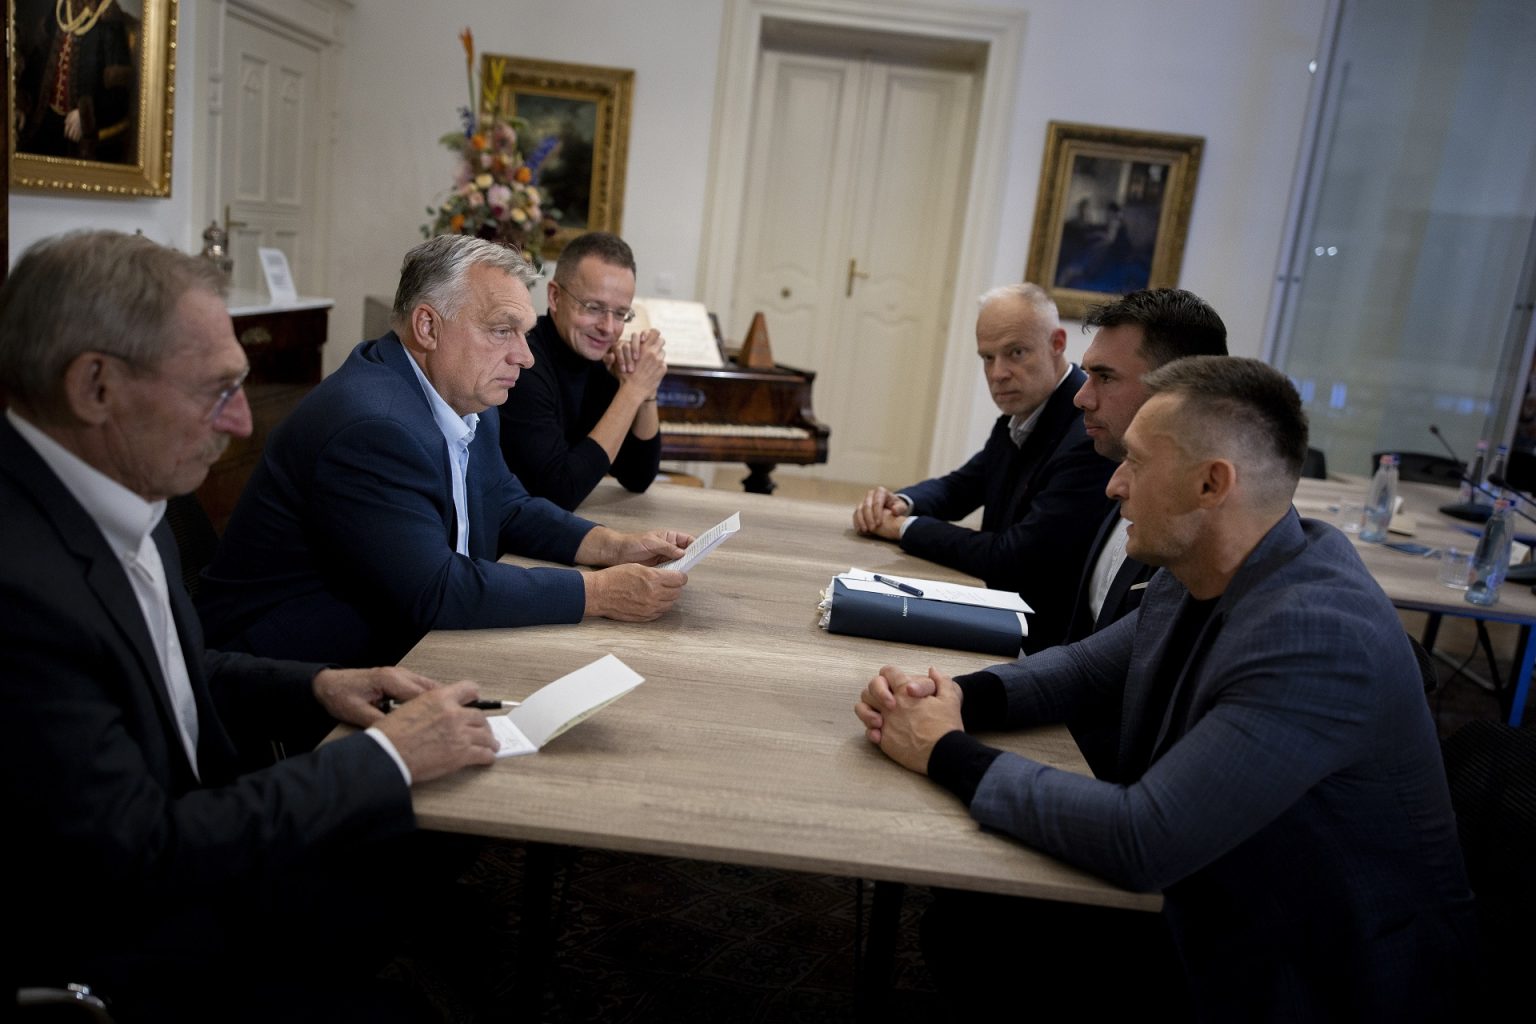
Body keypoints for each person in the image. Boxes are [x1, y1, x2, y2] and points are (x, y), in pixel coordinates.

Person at [855, 357, 1479, 1021]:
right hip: (1225, 887)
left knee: (988, 936)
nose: (1114, 485)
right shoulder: (1214, 560)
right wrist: (949, 696)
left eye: (1136, 462)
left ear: (1212, 484)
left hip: (1316, 969)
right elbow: (1084, 669)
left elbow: (1142, 839)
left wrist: (943, 749)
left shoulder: (1316, 633)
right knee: (974, 917)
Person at [0, 230, 502, 1020]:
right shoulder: (20, 585)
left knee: (439, 864)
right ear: (96, 386)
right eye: (217, 389)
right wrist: (385, 758)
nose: (240, 422)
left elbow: (164, 670)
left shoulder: (116, 483)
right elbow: (141, 855)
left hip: (200, 853)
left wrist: (319, 686)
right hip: (126, 946)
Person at [198, 234, 692, 668]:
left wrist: (615, 546)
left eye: (523, 333)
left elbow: (509, 505)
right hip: (287, 671)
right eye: (502, 330)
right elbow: (434, 590)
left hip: (393, 637)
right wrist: (599, 592)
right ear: (428, 328)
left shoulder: (467, 395)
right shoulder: (373, 427)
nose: (525, 356)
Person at [852, 283, 1114, 651]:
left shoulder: (1086, 433)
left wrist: (903, 528)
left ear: (1057, 343)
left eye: (1015, 352)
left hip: (1036, 645)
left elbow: (1013, 558)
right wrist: (901, 503)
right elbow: (962, 486)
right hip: (998, 612)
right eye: (987, 358)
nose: (998, 373)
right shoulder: (1024, 411)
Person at [1064, 287, 1228, 778]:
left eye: (1105, 377)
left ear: (1178, 392)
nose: (1080, 396)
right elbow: (1086, 663)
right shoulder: (1117, 467)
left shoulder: (1203, 531)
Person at [498, 231, 664, 510]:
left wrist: (647, 392)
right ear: (555, 297)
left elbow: (638, 476)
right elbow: (558, 492)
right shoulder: (523, 363)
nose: (608, 328)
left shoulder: (601, 361)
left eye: (620, 314)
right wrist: (633, 390)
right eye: (594, 308)